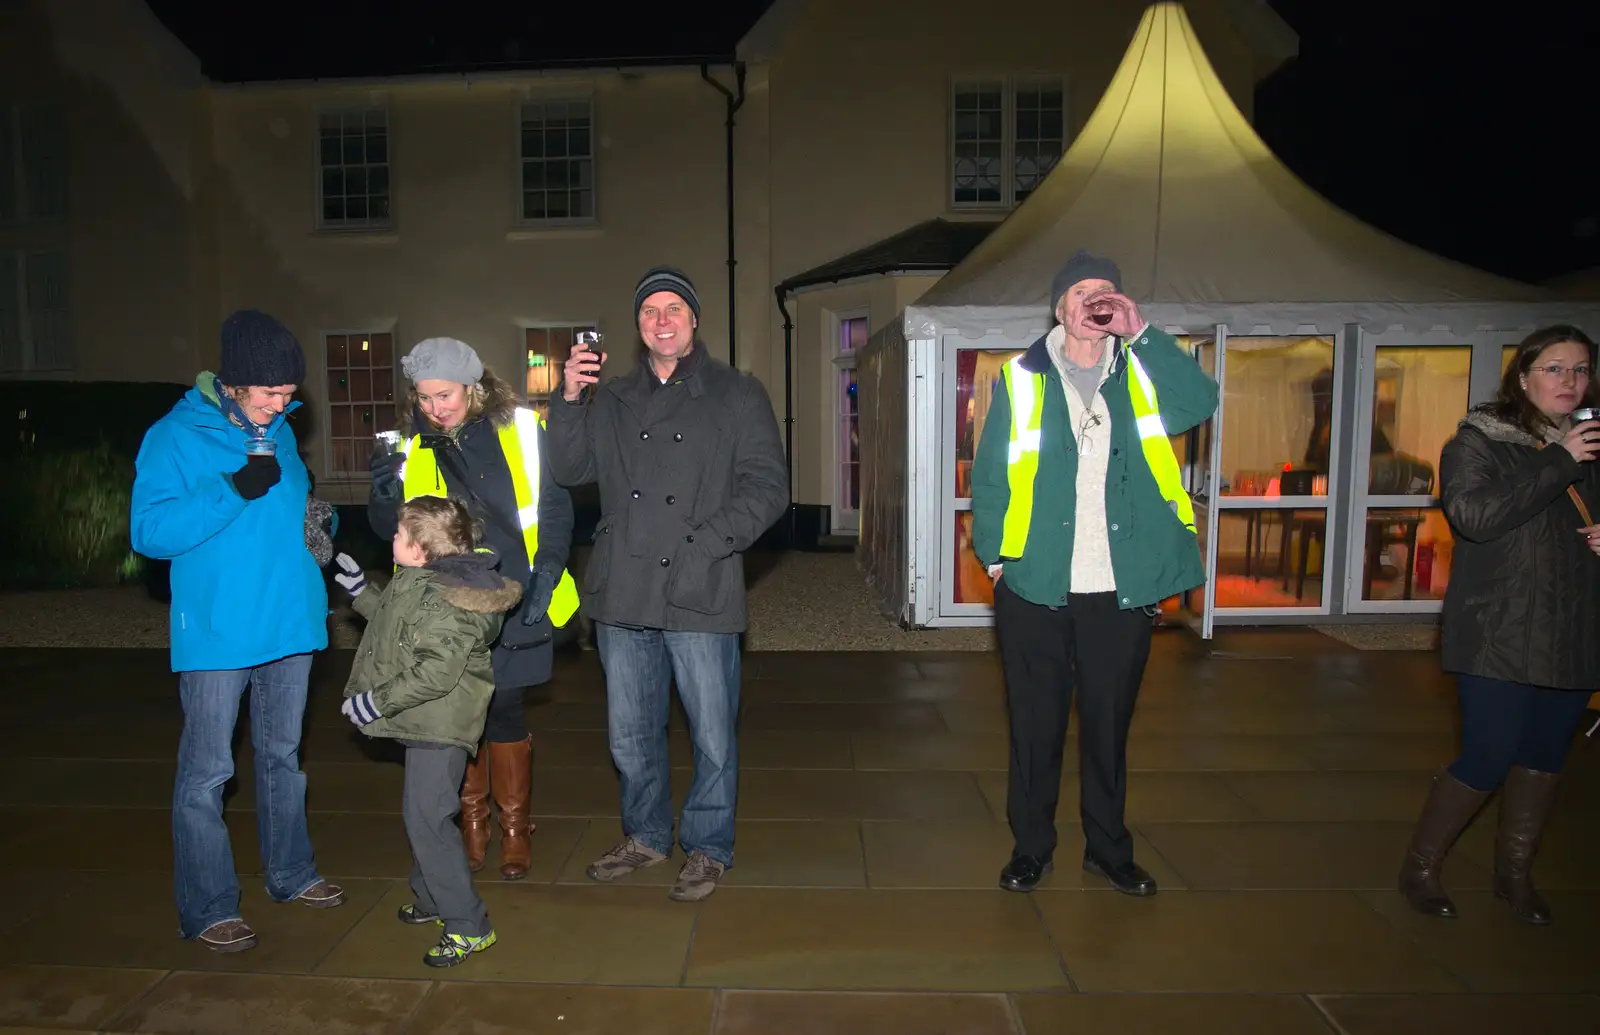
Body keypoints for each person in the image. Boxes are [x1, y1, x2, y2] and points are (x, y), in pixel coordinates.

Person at [970, 251, 1219, 895]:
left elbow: (1200, 401)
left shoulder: (1140, 371)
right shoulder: (1022, 378)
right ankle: (1032, 847)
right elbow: (994, 468)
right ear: (1060, 307)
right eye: (1082, 291)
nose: (1095, 300)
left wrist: (1143, 333)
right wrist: (995, 556)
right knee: (1035, 727)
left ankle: (1108, 849)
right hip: (1036, 583)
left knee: (1108, 726)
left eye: (1106, 290)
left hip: (1120, 585)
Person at [548, 267, 788, 902]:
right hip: (623, 585)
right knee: (630, 732)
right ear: (637, 326)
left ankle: (708, 847)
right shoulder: (612, 398)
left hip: (698, 584)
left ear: (694, 320)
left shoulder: (737, 393)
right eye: (649, 309)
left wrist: (705, 544)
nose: (661, 319)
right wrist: (568, 399)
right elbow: (568, 468)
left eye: (673, 308)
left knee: (711, 732)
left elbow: (767, 487)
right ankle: (646, 835)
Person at [130, 309, 345, 953]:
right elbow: (150, 533)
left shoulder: (276, 432)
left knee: (284, 759)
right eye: (271, 393)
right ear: (233, 383)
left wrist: (318, 526)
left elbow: (289, 516)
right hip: (219, 630)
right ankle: (208, 906)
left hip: (289, 620)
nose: (283, 407)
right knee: (207, 773)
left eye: (288, 395)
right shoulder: (174, 437)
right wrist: (231, 489)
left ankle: (290, 872)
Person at [1398, 324, 1600, 926]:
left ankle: (1514, 873)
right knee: (1488, 755)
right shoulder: (1479, 442)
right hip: (1499, 630)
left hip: (1573, 627)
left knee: (1543, 756)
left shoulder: (1591, 445)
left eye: (1581, 370)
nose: (1570, 381)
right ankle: (1421, 867)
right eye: (1556, 369)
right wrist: (1561, 460)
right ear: (1524, 376)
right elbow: (1476, 516)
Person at [368, 338, 578, 881]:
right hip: (445, 604)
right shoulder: (413, 445)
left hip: (516, 591)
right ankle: (472, 821)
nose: (435, 408)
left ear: (474, 388)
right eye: (423, 398)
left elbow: (554, 508)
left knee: (504, 709)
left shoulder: (522, 430)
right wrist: (382, 491)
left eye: (445, 396)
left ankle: (514, 827)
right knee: (457, 713)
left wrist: (548, 572)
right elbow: (391, 532)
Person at [332, 497, 522, 967]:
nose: (390, 540)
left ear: (418, 549)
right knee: (425, 814)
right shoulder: (429, 580)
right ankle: (432, 896)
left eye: (397, 534)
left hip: (441, 723)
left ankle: (468, 925)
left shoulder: (447, 598)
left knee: (428, 820)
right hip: (429, 720)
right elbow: (402, 622)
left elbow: (435, 671)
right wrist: (363, 592)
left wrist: (376, 700)